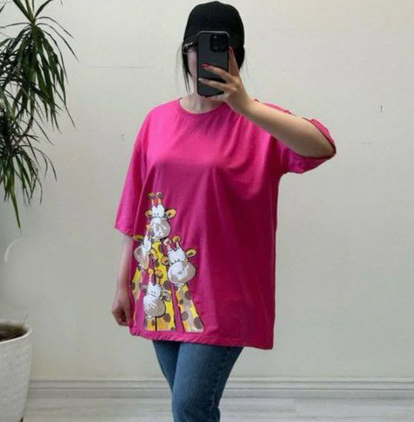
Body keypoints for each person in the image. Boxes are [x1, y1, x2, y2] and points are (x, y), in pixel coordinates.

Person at [111, 1, 337, 420]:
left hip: (224, 292)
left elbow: (321, 146)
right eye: (198, 48)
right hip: (162, 284)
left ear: (237, 57)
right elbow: (136, 203)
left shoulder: (259, 122)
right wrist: (124, 281)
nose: (207, 58)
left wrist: (247, 106)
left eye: (221, 49)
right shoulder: (157, 120)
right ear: (186, 52)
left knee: (190, 405)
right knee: (192, 409)